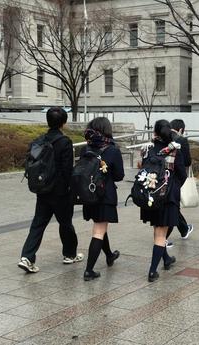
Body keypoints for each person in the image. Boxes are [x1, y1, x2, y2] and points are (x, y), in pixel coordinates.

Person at [18, 107, 83, 273]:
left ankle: (27, 257)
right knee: (65, 223)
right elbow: (67, 170)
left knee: (38, 224)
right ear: (64, 122)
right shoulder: (65, 142)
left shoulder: (39, 140)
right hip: (60, 192)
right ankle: (69, 254)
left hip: (42, 189)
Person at [140, 120, 187, 282]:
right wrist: (172, 187)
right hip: (167, 196)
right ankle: (152, 271)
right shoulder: (174, 150)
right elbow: (182, 174)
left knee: (157, 228)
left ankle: (166, 259)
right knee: (161, 234)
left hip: (150, 194)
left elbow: (142, 169)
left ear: (155, 133)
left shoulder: (147, 149)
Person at [82, 117, 124, 281]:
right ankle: (89, 270)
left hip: (88, 194)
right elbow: (119, 176)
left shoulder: (87, 147)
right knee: (99, 230)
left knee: (100, 224)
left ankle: (109, 255)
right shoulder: (112, 149)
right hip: (104, 195)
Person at [165, 119, 194, 248]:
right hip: (174, 178)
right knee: (172, 207)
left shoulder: (162, 137)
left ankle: (184, 229)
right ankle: (162, 238)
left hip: (160, 178)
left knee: (172, 206)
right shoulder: (181, 140)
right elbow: (187, 161)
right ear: (181, 129)